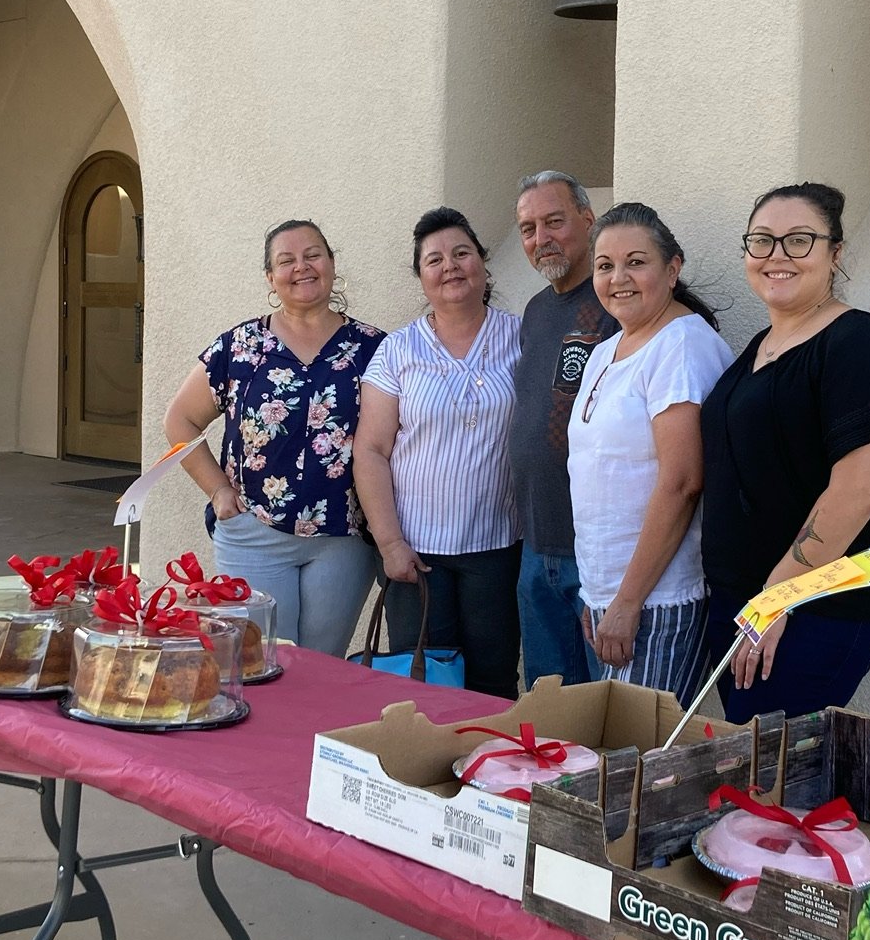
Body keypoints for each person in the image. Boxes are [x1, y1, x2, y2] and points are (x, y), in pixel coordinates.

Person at [700, 182, 870, 722]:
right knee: (757, 771)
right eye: (762, 241)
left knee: (772, 781)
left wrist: (776, 598)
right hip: (746, 597)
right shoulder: (760, 345)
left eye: (799, 240)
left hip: (818, 599)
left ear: (835, 253)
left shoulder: (858, 342)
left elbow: (862, 486)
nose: (776, 255)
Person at [164, 219, 384, 656]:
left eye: (313, 255)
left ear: (332, 264)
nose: (302, 267)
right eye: (286, 261)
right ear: (271, 277)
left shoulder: (374, 349)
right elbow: (179, 421)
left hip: (342, 538)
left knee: (323, 667)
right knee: (257, 665)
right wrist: (219, 491)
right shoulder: (240, 347)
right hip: (254, 536)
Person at [354, 208, 524, 699]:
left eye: (461, 253)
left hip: (497, 548)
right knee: (423, 688)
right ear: (421, 277)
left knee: (493, 685)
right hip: (416, 556)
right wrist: (389, 544)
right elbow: (370, 450)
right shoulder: (398, 351)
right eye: (434, 259)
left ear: (483, 264)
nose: (450, 266)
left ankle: (487, 772)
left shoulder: (521, 337)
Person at [568, 202, 733, 697]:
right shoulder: (606, 349)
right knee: (619, 758)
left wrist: (627, 601)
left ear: (672, 268)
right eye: (604, 265)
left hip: (658, 600)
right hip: (612, 596)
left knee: (639, 764)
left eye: (636, 262)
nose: (618, 277)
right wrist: (598, 595)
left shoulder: (681, 345)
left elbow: (682, 482)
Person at [509, 171, 617, 690]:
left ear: (588, 220)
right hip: (538, 546)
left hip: (598, 554)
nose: (539, 238)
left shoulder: (615, 305)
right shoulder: (534, 311)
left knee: (610, 715)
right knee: (552, 717)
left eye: (554, 222)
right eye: (528, 228)